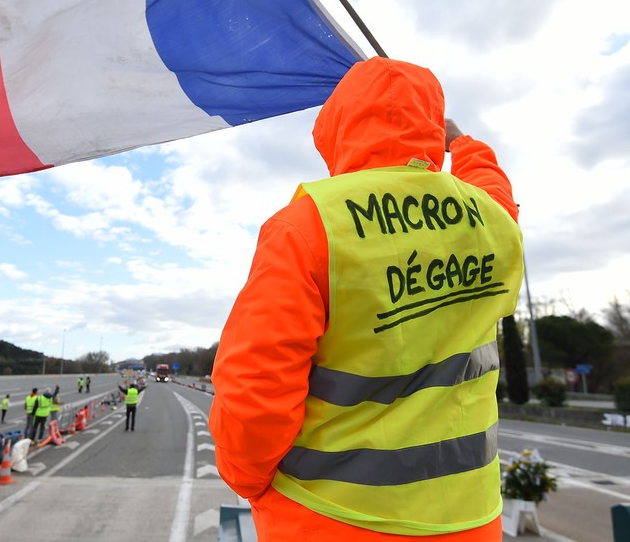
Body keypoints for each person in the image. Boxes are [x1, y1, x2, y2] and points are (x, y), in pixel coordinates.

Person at [209, 57, 524, 541]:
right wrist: (462, 143)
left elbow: (257, 381)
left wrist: (248, 480)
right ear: (434, 124)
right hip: (471, 518)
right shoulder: (491, 218)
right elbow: (494, 187)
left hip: (330, 517)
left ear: (337, 125)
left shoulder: (308, 226)